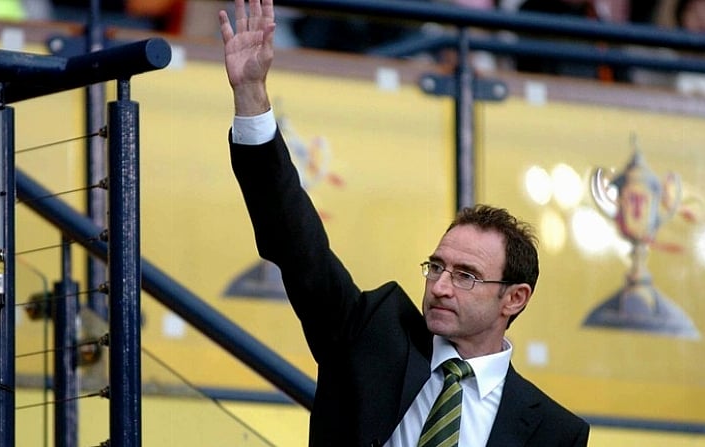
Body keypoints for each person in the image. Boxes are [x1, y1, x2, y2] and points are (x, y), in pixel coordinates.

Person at [218, 0, 590, 445]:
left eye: (466, 276)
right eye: (437, 267)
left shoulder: (554, 432)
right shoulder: (371, 333)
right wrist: (251, 94)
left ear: (514, 298)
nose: (440, 286)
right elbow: (296, 246)